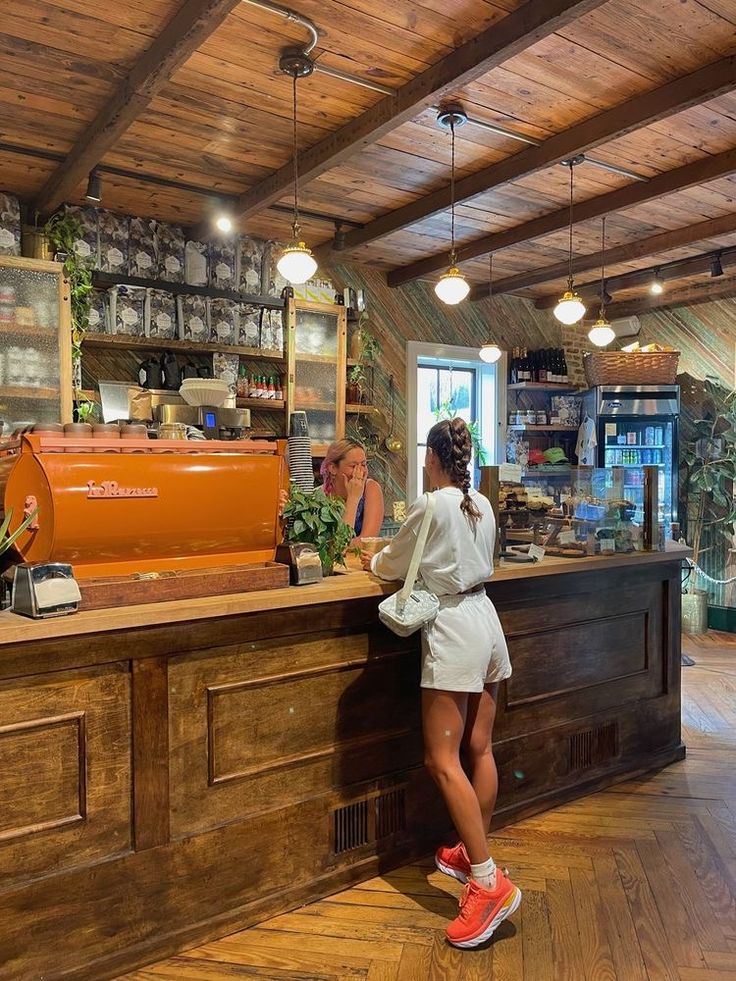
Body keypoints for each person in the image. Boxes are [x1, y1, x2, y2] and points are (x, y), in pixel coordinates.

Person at [361, 418, 520, 949]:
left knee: (441, 758)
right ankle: (467, 850)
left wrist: (371, 560)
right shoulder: (483, 504)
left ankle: (486, 880)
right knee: (480, 746)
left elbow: (394, 561)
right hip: (487, 623)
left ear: (431, 457)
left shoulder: (430, 505)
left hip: (453, 631)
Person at [320, 438, 384, 543]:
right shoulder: (319, 496)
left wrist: (354, 498)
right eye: (353, 466)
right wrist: (353, 498)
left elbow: (366, 542)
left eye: (363, 465)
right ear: (333, 468)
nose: (361, 472)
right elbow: (335, 546)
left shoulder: (371, 489)